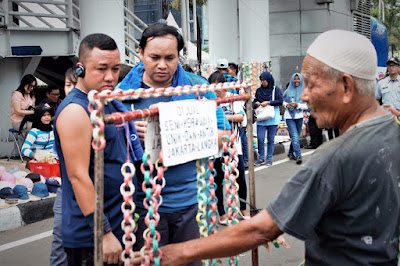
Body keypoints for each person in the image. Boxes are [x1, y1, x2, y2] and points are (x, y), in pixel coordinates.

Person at [141, 29, 400, 266]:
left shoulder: (335, 157)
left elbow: (261, 230)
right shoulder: (392, 126)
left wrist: (177, 253)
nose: (305, 95)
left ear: (346, 86)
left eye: (311, 84)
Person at [117, 23, 231, 265]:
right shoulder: (121, 95)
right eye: (154, 57)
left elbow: (224, 137)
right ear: (140, 53)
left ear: (179, 55)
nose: (162, 65)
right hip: (141, 205)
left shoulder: (199, 89)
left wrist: (170, 132)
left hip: (193, 204)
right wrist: (130, 132)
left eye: (170, 58)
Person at [53, 33, 143, 265]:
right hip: (92, 235)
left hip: (121, 222)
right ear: (80, 69)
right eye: (101, 69)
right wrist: (103, 233)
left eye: (115, 69)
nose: (110, 77)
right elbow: (78, 176)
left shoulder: (107, 102)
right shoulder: (75, 111)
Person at [208, 72, 250, 225]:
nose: (217, 91)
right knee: (217, 179)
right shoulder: (208, 100)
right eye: (213, 88)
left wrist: (222, 118)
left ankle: (243, 208)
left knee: (240, 179)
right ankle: (221, 212)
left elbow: (241, 117)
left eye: (219, 88)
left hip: (233, 146)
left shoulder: (233, 99)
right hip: (216, 148)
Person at [49, 66, 78, 266]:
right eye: (68, 85)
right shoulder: (65, 111)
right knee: (60, 245)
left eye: (75, 84)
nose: (71, 90)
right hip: (67, 189)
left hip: (96, 192)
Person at [253, 71, 283, 166]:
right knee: (260, 138)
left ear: (269, 80)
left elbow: (280, 101)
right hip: (261, 118)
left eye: (264, 80)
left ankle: (269, 158)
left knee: (271, 139)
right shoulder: (259, 91)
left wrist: (269, 102)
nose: (263, 82)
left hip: (272, 118)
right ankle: (261, 158)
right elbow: (253, 102)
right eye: (261, 80)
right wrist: (256, 104)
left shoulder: (275, 89)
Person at [283, 73, 307, 164]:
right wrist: (286, 105)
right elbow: (283, 100)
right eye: (295, 79)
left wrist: (298, 105)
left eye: (298, 79)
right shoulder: (288, 91)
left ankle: (290, 152)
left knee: (295, 137)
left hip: (299, 116)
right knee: (295, 136)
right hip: (289, 116)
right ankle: (298, 155)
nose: (296, 81)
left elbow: (307, 105)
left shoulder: (304, 92)